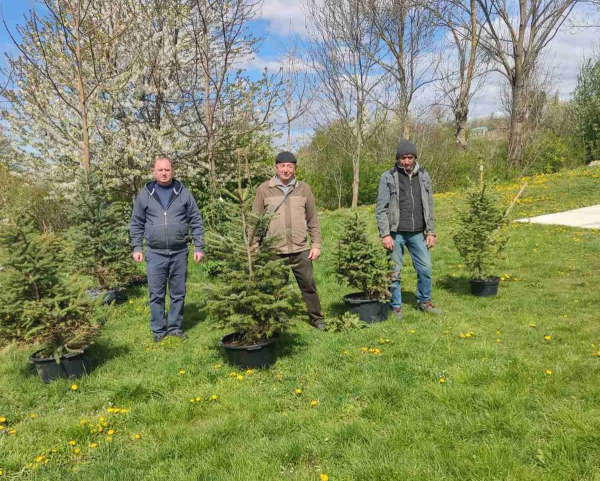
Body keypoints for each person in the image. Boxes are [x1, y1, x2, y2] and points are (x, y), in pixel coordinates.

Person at [130, 157, 205, 342]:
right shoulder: (145, 194)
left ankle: (174, 327)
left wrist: (199, 246)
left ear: (172, 171)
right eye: (160, 170)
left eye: (167, 170)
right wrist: (137, 247)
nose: (164, 173)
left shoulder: (183, 193)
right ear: (154, 172)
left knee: (178, 293)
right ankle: (158, 330)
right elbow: (137, 222)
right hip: (155, 253)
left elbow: (196, 220)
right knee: (156, 294)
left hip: (179, 252)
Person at [252, 151, 325, 330]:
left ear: (295, 168)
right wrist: (253, 246)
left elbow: (313, 219)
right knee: (275, 289)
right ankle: (276, 322)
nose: (286, 170)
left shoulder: (304, 189)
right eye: (282, 166)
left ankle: (317, 319)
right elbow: (255, 220)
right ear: (276, 167)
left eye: (290, 166)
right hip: (275, 250)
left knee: (308, 285)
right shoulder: (264, 189)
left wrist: (316, 245)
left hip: (301, 249)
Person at [375, 140, 442, 318]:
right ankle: (396, 306)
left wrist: (431, 231)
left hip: (418, 232)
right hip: (395, 233)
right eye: (403, 158)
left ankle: (424, 302)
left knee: (426, 268)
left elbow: (429, 205)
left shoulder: (424, 175)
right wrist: (385, 234)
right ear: (397, 159)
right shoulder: (388, 177)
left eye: (410, 157)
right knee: (394, 271)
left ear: (414, 158)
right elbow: (381, 208)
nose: (406, 161)